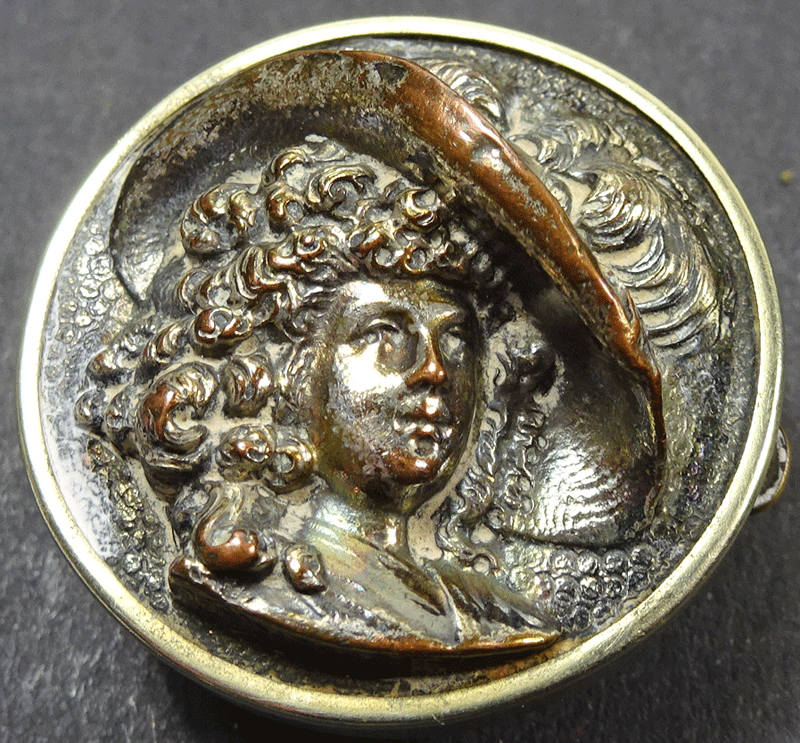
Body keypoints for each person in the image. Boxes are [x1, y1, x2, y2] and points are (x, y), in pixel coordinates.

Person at [79, 136, 561, 656]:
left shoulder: (490, 608)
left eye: (456, 342)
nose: (434, 371)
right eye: (383, 336)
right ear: (290, 375)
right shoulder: (265, 584)